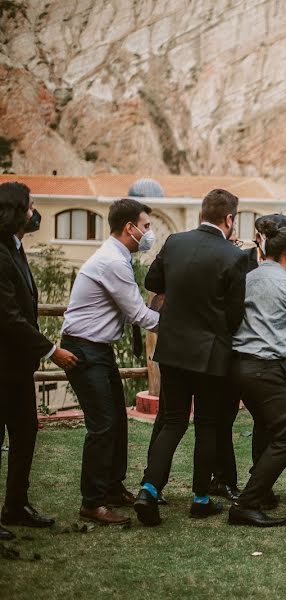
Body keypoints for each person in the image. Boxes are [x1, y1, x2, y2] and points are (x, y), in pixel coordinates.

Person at [134, 189, 249, 526]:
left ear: (202, 213)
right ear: (229, 219)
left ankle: (149, 490)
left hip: (171, 349)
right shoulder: (234, 256)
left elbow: (152, 281)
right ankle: (200, 498)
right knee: (207, 424)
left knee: (172, 421)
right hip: (211, 354)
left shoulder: (174, 243)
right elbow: (234, 313)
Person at [60, 199, 160, 525]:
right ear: (129, 228)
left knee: (116, 419)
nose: (148, 233)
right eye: (145, 227)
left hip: (98, 351)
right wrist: (183, 326)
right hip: (84, 350)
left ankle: (113, 488)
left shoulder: (118, 257)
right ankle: (92, 502)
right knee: (102, 425)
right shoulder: (112, 262)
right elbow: (138, 313)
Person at [229, 220, 286, 527]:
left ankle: (261, 494)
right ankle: (246, 502)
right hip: (267, 368)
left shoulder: (247, 278)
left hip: (239, 367)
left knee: (270, 428)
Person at [0, 182, 77, 541]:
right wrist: (51, 351)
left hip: (16, 368)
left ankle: (16, 505)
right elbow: (9, 317)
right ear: (16, 212)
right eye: (31, 207)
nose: (35, 213)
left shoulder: (15, 247)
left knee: (25, 434)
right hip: (3, 365)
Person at [209, 212, 286, 504]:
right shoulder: (237, 261)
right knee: (225, 417)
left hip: (270, 358)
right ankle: (223, 479)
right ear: (259, 237)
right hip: (230, 353)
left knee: (268, 423)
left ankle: (261, 484)